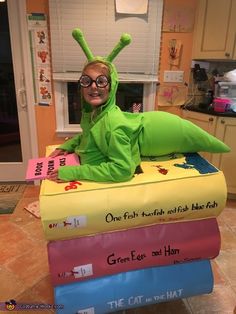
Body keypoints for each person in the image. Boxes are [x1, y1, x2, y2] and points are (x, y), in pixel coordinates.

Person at [47, 29, 230, 184]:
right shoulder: (94, 115)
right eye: (87, 81)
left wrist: (74, 173)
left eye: (101, 81)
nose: (94, 86)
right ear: (81, 85)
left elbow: (123, 170)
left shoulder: (113, 126)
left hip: (162, 128)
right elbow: (91, 135)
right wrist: (70, 144)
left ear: (112, 87)